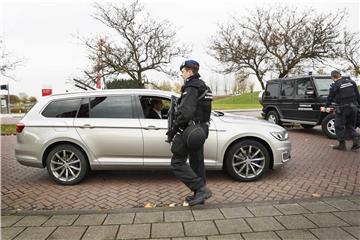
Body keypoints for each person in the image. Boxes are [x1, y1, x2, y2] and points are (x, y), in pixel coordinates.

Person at [166, 60, 213, 206]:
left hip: (190, 130)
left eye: (183, 71)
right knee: (197, 163)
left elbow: (185, 113)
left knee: (177, 162)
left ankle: (200, 189)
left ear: (190, 72)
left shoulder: (191, 86)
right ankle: (200, 195)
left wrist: (173, 131)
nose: (181, 73)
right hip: (199, 130)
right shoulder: (203, 86)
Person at [325, 70, 360, 151]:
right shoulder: (351, 82)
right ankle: (356, 141)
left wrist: (326, 106)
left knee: (338, 126)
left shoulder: (335, 85)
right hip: (354, 108)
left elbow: (330, 97)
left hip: (343, 109)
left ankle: (342, 145)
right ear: (340, 75)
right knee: (350, 125)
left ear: (333, 77)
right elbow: (357, 95)